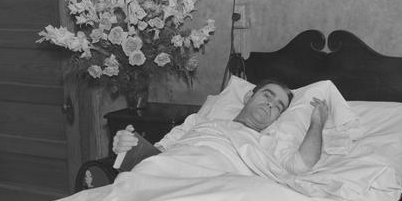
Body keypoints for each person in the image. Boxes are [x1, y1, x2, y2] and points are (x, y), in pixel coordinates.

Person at [113, 79, 329, 175]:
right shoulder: (199, 122)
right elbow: (155, 156)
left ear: (277, 119)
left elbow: (302, 165)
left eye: (278, 106)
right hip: (165, 172)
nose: (271, 104)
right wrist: (127, 146)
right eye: (267, 95)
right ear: (248, 97)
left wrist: (317, 122)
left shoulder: (268, 142)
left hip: (214, 185)